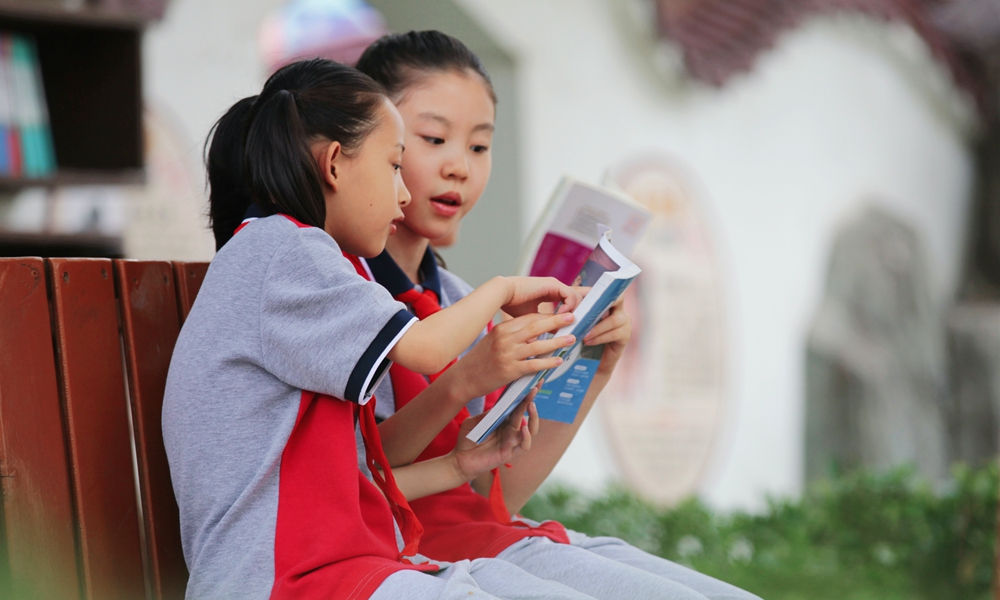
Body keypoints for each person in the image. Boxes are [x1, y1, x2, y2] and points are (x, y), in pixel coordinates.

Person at [164, 58, 616, 600]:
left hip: (334, 566)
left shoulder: (292, 259)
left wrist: (458, 463)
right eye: (395, 164)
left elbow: (353, 483)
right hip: (281, 581)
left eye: (478, 146)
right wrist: (500, 289)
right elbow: (424, 350)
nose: (402, 194)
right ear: (334, 163)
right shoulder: (283, 249)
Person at [353, 31, 763, 600]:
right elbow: (351, 489)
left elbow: (497, 492)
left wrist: (594, 366)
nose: (459, 167)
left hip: (484, 539)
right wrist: (464, 380)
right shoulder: (342, 292)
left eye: (478, 146)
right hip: (401, 558)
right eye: (433, 138)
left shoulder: (458, 297)